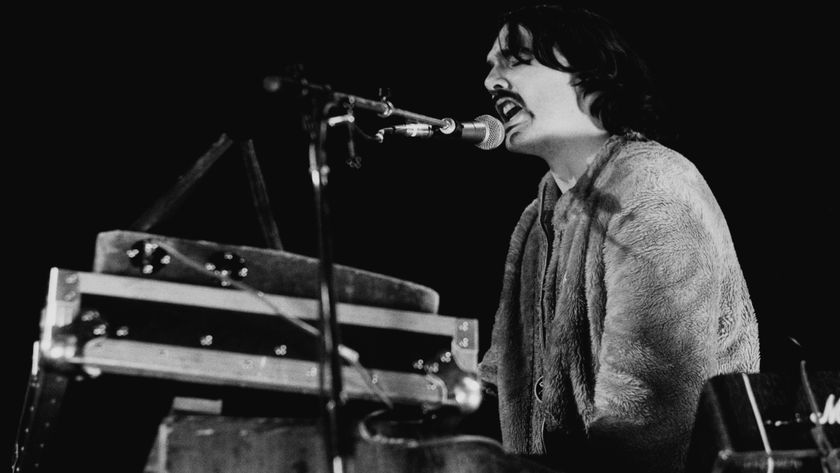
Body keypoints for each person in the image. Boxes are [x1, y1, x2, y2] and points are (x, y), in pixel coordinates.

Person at [476, 4, 760, 473]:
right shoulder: (537, 221)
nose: (491, 81)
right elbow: (498, 387)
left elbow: (648, 422)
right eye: (491, 65)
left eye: (515, 59)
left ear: (590, 73)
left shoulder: (652, 187)